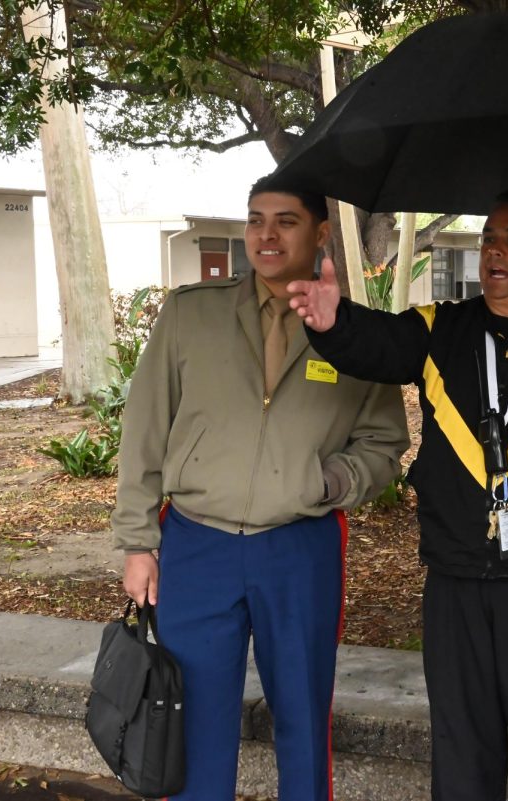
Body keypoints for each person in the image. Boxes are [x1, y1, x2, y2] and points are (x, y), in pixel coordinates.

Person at [287, 191, 508, 801]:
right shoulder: (445, 327)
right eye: (491, 237)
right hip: (457, 582)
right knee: (462, 761)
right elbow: (381, 344)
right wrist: (334, 323)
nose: (495, 249)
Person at [113, 174, 409, 801]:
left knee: (303, 718)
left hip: (298, 550)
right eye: (255, 220)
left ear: (320, 232)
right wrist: (138, 541)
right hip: (197, 546)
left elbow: (386, 445)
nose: (266, 235)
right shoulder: (190, 314)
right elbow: (142, 431)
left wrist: (331, 480)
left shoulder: (359, 336)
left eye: (286, 221)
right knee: (192, 720)